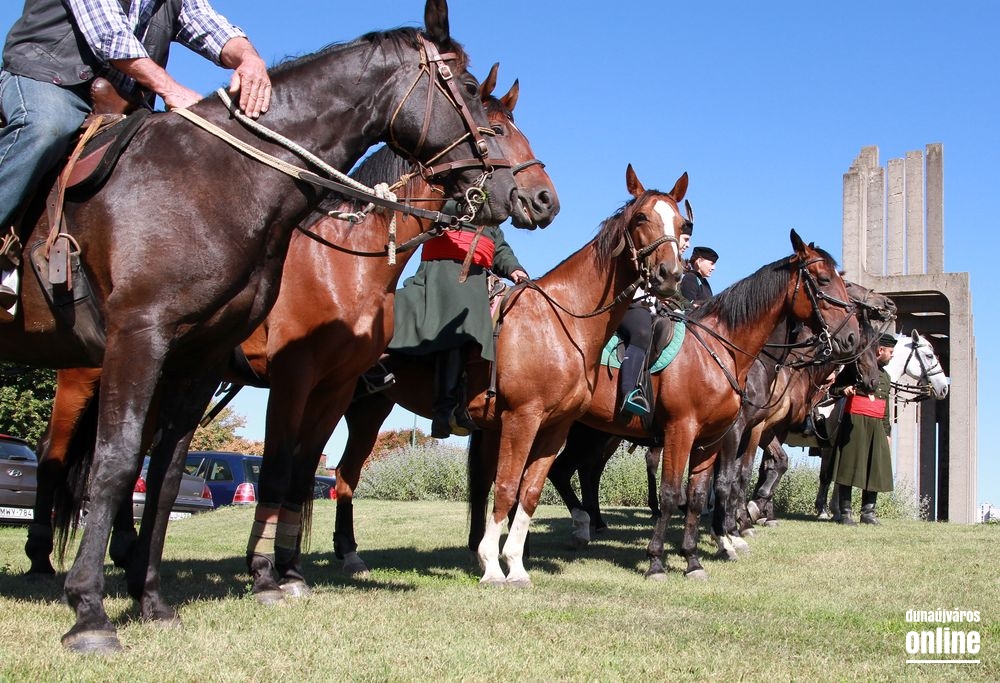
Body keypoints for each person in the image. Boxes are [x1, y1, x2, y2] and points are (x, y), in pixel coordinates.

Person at [0, 0, 272, 318]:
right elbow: (108, 34)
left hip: (124, 103)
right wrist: (171, 90)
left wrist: (250, 59)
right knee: (46, 128)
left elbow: (210, 27)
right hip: (49, 79)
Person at [388, 213, 529, 439]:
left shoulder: (489, 219)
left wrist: (515, 269)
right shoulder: (456, 199)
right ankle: (444, 410)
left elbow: (499, 248)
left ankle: (457, 403)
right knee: (462, 320)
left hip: (475, 278)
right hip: (441, 271)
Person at [616, 226, 692, 417]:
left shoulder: (675, 261)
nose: (687, 244)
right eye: (685, 239)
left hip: (652, 307)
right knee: (642, 333)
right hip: (631, 303)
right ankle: (629, 391)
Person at [829, 332, 896, 525]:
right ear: (880, 350)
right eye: (890, 352)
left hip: (877, 425)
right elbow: (834, 389)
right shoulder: (854, 367)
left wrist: (887, 432)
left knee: (875, 468)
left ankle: (868, 513)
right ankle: (845, 513)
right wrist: (844, 390)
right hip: (855, 421)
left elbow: (885, 408)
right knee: (848, 468)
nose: (892, 356)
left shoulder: (886, 377)